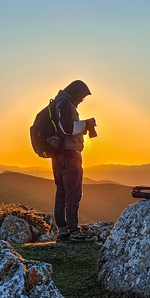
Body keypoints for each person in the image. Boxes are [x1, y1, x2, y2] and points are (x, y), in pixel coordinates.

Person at [50, 80, 97, 244]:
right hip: (69, 156)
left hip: (58, 157)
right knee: (73, 195)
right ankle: (74, 232)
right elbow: (68, 129)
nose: (81, 100)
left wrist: (82, 126)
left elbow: (63, 129)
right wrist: (86, 124)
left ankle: (63, 232)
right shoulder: (65, 104)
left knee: (62, 193)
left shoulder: (58, 103)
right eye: (82, 97)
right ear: (76, 93)